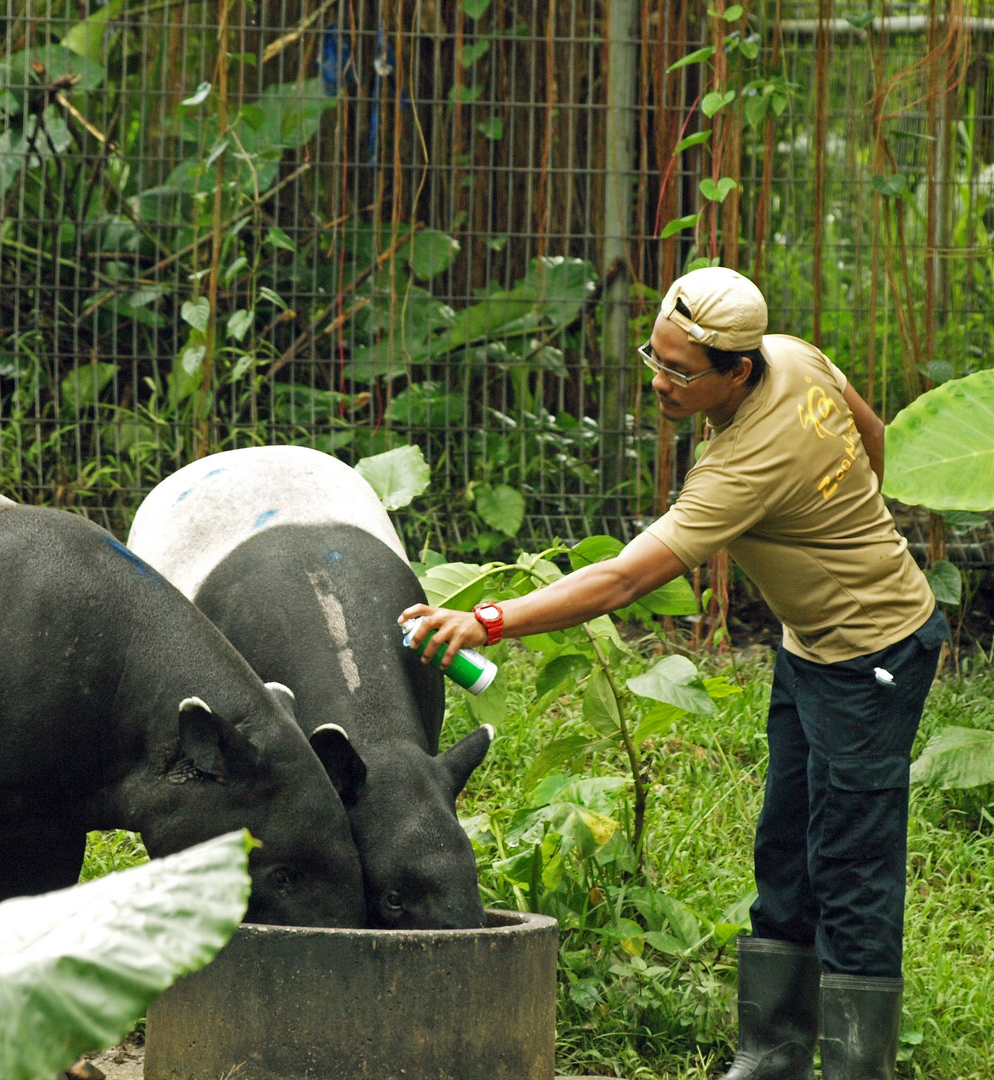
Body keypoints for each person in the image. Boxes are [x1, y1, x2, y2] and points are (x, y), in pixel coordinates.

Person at [401, 266, 947, 1080]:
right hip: (813, 648)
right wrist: (846, 519)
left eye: (680, 373)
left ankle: (857, 1069)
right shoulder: (792, 356)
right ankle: (771, 1056)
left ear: (737, 368)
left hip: (873, 657)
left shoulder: (746, 465)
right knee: (785, 848)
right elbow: (872, 436)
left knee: (852, 864)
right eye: (654, 359)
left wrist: (485, 620)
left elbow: (622, 580)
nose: (658, 382)